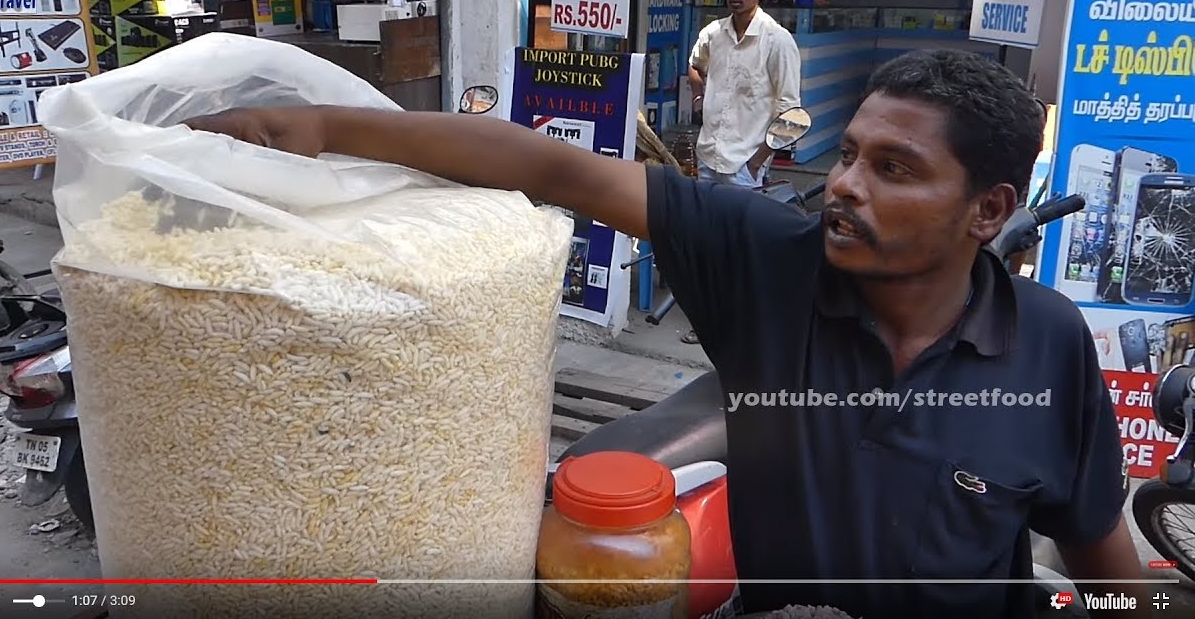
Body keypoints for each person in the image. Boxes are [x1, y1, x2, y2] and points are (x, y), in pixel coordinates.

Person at [182, 50, 1148, 619]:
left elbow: (1102, 552)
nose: (847, 185)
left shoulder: (1050, 345)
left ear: (989, 210)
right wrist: (312, 121)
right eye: (849, 153)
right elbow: (559, 171)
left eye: (895, 169)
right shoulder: (772, 258)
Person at [687, 0, 801, 191]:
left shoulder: (777, 41)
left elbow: (791, 115)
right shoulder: (713, 33)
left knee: (739, 230)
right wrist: (698, 98)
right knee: (705, 228)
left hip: (745, 169)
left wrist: (756, 162)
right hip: (708, 159)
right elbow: (695, 65)